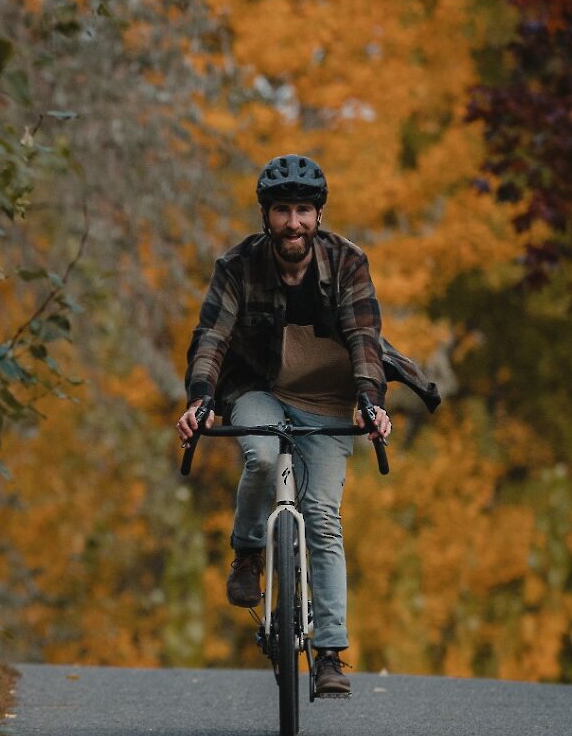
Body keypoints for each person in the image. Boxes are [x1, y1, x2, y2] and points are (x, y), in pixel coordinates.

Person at [171, 154, 433, 696]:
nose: (294, 222)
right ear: (266, 216)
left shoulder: (347, 262)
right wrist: (200, 399)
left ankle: (331, 652)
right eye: (283, 211)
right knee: (261, 455)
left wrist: (369, 399)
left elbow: (364, 336)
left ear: (318, 215)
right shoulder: (237, 266)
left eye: (304, 211)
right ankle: (247, 552)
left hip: (328, 396)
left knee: (322, 515)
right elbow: (212, 338)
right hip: (259, 388)